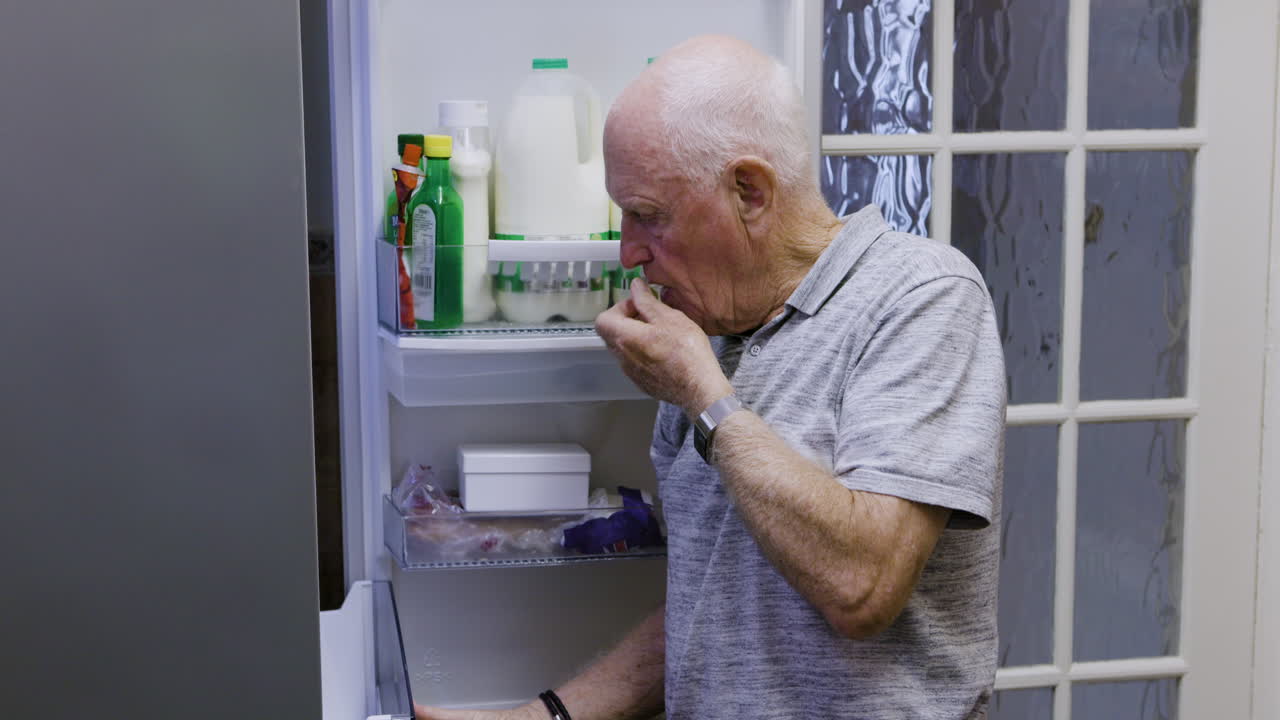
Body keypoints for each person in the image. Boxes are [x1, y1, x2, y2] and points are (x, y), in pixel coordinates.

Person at [417, 34, 1005, 720]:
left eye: (648, 215)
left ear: (749, 191)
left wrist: (705, 396)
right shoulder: (710, 337)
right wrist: (543, 717)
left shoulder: (921, 298)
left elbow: (861, 588)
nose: (628, 252)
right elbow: (717, 603)